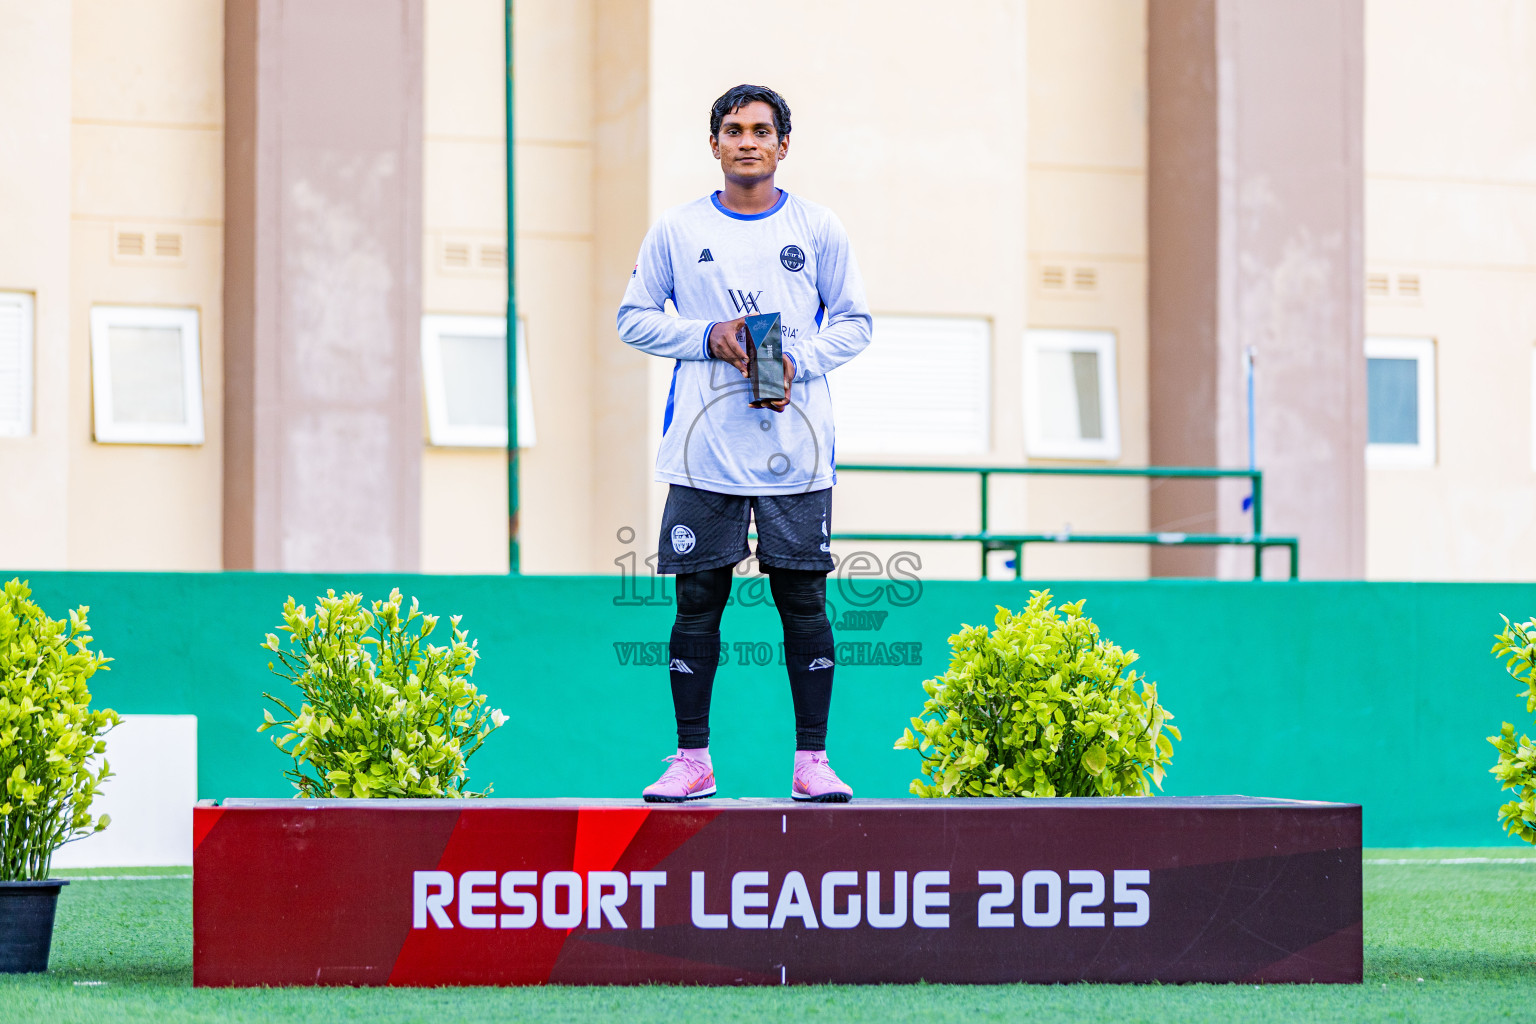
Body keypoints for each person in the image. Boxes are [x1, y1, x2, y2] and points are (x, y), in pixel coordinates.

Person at [616, 84, 872, 803]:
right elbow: (632, 319)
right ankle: (691, 760)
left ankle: (812, 763)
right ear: (715, 144)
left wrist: (797, 361)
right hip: (704, 452)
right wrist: (704, 336)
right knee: (698, 598)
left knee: (804, 601)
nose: (748, 141)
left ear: (783, 146)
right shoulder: (677, 229)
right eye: (734, 130)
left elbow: (855, 322)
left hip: (798, 449)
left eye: (762, 130)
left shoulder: (819, 228)